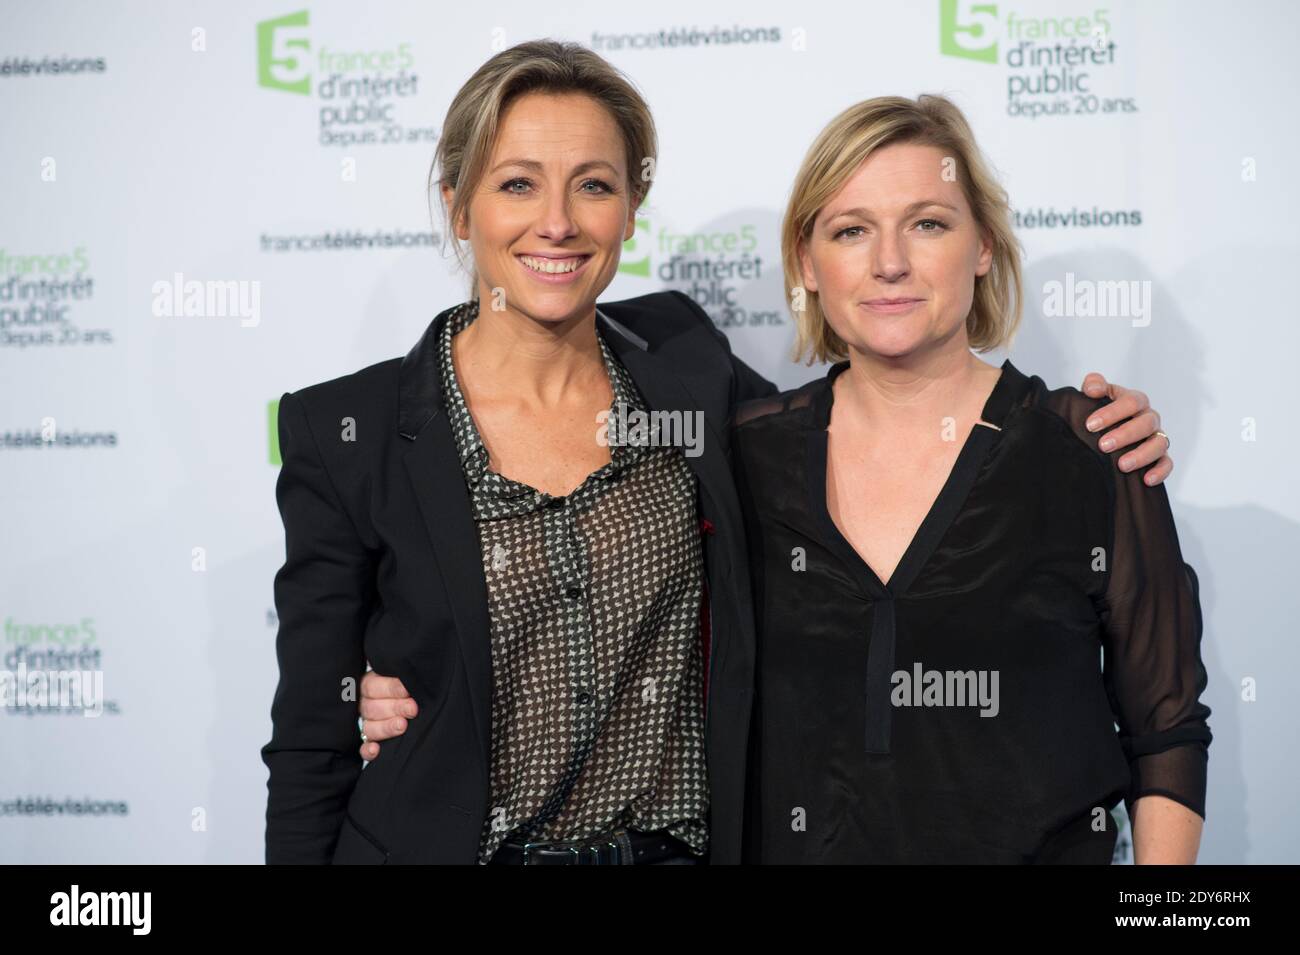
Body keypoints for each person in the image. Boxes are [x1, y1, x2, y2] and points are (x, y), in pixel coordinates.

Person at [268, 40, 1177, 866]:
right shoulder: (349, 432)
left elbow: (890, 409)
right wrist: (365, 696)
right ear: (457, 207)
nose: (557, 222)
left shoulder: (690, 372)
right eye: (515, 184)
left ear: (632, 206)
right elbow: (312, 739)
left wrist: (1092, 422)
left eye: (593, 183)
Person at [729, 94, 1210, 863]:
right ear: (806, 263)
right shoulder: (743, 456)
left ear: (983, 245)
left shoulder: (1092, 450)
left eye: (928, 223)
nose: (890, 261)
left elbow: (1168, 727)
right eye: (851, 230)